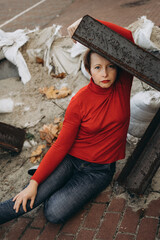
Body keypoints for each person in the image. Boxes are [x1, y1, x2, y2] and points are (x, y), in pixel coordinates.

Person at [0, 17, 134, 225]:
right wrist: (34, 183)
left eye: (111, 67)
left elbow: (129, 39)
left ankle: (53, 181)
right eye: (98, 68)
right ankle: (43, 178)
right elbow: (62, 144)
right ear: (89, 70)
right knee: (30, 196)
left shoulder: (122, 86)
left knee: (53, 213)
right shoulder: (79, 100)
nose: (105, 74)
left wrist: (88, 22)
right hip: (70, 159)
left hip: (98, 171)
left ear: (118, 68)